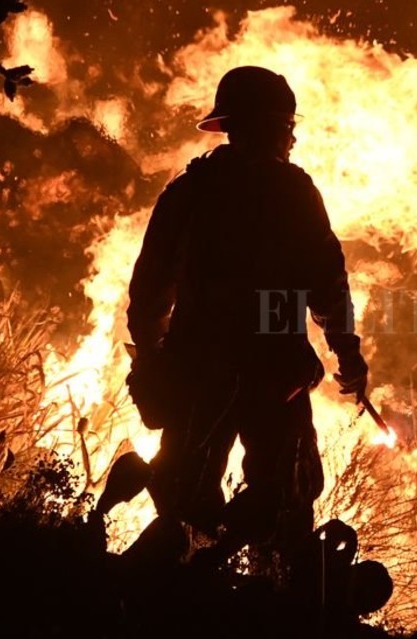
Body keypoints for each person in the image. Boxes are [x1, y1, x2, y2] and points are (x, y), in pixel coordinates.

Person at [125, 65, 368, 559]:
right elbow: (327, 284)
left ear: (231, 126)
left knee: (183, 503)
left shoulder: (191, 190)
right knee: (283, 503)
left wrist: (151, 360)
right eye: (287, 126)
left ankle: (179, 589)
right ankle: (270, 603)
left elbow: (150, 288)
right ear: (271, 127)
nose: (293, 138)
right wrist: (348, 354)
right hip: (274, 372)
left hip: (199, 367)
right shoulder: (295, 193)